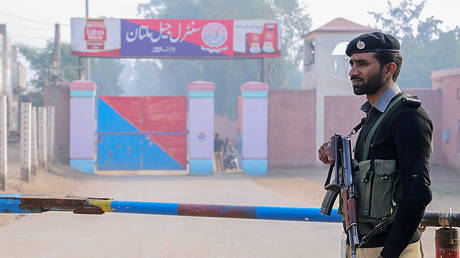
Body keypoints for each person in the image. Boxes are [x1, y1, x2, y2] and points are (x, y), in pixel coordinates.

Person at [318, 32, 433, 258]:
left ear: (389, 69)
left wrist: (388, 254)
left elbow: (418, 192)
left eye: (362, 64)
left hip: (392, 250)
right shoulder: (373, 116)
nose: (353, 72)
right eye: (351, 63)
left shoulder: (408, 115)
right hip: (362, 247)